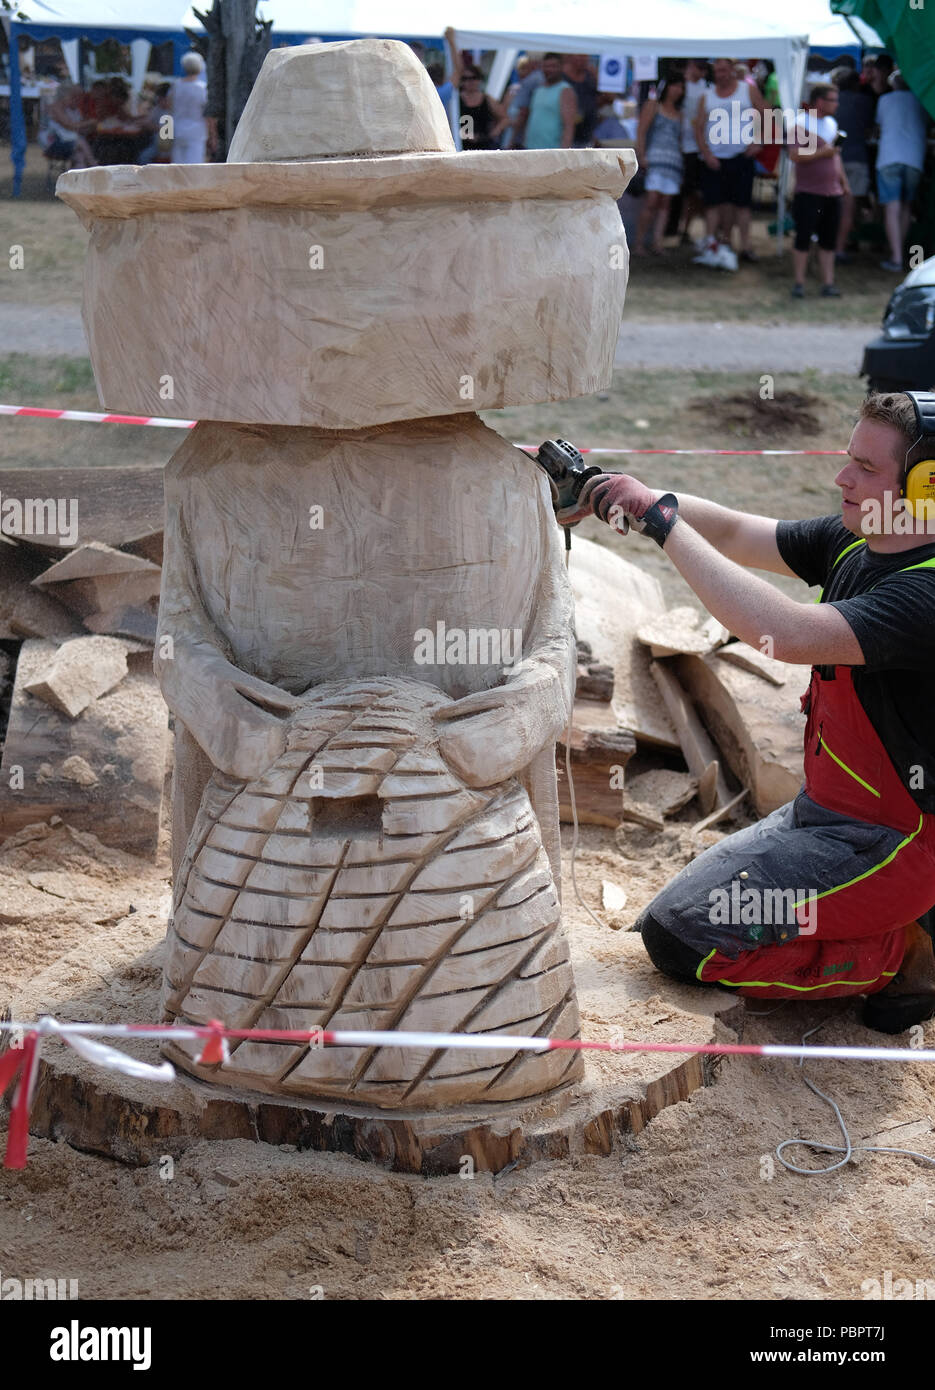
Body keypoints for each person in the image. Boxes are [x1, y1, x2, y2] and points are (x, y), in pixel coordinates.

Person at [558, 391, 935, 1031]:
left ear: (928, 487)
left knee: (685, 942)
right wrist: (618, 496)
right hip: (825, 814)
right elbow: (732, 531)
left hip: (896, 846)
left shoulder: (923, 591)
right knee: (670, 917)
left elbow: (781, 632)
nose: (842, 477)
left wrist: (661, 524)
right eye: (849, 459)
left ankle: (906, 953)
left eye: (867, 469)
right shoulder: (854, 542)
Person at [693, 55, 766, 270]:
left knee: (742, 205)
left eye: (724, 70)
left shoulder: (747, 90)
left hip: (742, 155)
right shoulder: (706, 96)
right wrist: (706, 154)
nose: (720, 75)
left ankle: (745, 246)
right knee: (714, 204)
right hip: (715, 158)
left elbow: (767, 113)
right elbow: (698, 127)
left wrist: (759, 141)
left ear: (732, 70)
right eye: (717, 71)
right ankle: (714, 243)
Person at [789, 84, 848, 298]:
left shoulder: (831, 124)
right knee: (803, 238)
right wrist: (823, 152)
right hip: (808, 192)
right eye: (833, 100)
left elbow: (836, 156)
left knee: (828, 241)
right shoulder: (801, 123)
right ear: (820, 102)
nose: (837, 104)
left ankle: (828, 283)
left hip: (832, 193)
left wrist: (844, 182)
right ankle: (799, 283)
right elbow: (795, 155)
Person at [875, 71, 929, 273]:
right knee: (906, 206)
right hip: (914, 158)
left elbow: (878, 127)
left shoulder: (885, 100)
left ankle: (895, 256)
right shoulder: (920, 101)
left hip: (889, 157)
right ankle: (900, 252)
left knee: (892, 207)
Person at [633, 76, 685, 255]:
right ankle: (639, 242)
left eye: (680, 87)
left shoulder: (680, 113)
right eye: (674, 85)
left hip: (672, 162)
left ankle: (657, 242)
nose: (677, 90)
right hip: (654, 159)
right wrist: (641, 154)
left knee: (665, 204)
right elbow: (641, 131)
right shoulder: (653, 105)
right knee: (651, 201)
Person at [832, 68, 874, 261]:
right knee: (849, 207)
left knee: (834, 206)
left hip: (834, 159)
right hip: (856, 158)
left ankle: (830, 245)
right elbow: (869, 129)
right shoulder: (865, 102)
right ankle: (839, 249)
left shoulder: (831, 103)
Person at [511, 52, 577, 150]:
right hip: (530, 148)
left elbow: (569, 126)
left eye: (553, 66)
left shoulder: (565, 90)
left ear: (561, 67)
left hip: (551, 151)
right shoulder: (538, 90)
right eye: (546, 66)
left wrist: (564, 152)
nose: (549, 69)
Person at [678, 58, 711, 246]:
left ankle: (686, 229)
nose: (701, 71)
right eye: (698, 66)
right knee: (682, 192)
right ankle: (677, 227)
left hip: (699, 147)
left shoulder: (708, 88)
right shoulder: (679, 85)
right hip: (682, 145)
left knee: (694, 193)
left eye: (704, 68)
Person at [41, 79, 95, 168]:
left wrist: (88, 126)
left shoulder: (70, 110)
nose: (76, 100)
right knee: (80, 142)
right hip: (53, 143)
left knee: (80, 155)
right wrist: (89, 122)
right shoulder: (56, 108)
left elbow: (79, 127)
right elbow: (70, 126)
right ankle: (94, 165)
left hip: (66, 141)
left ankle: (80, 176)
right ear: (65, 95)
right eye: (73, 97)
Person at [171, 52, 210, 164]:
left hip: (177, 129)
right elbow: (207, 114)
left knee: (177, 166)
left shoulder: (176, 85)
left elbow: (169, 110)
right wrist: (212, 135)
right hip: (196, 131)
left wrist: (166, 133)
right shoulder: (202, 88)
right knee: (195, 166)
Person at [458, 66, 506, 150]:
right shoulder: (456, 101)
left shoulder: (487, 99)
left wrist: (492, 134)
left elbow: (505, 119)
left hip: (484, 146)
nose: (470, 81)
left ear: (479, 79)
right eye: (465, 78)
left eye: (473, 78)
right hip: (461, 146)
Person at [562, 53, 598, 147]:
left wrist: (597, 76)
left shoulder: (591, 77)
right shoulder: (562, 78)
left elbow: (610, 98)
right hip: (564, 136)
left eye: (585, 56)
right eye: (580, 55)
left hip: (587, 136)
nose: (583, 59)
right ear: (570, 56)